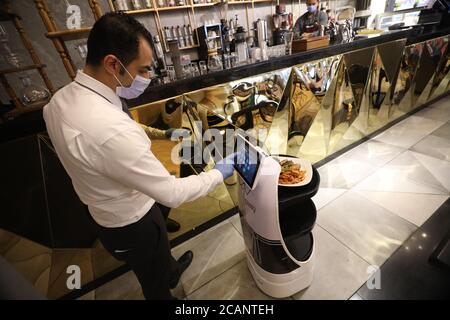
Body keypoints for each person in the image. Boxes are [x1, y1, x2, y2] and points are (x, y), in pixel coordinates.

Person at [43, 12, 235, 300]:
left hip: (106, 212)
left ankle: (170, 270)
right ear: (112, 63)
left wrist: (162, 134)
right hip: (133, 224)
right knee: (153, 282)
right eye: (143, 69)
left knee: (159, 258)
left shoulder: (58, 102)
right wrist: (220, 172)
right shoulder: (112, 130)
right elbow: (172, 193)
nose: (146, 77)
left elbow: (120, 130)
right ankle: (163, 282)